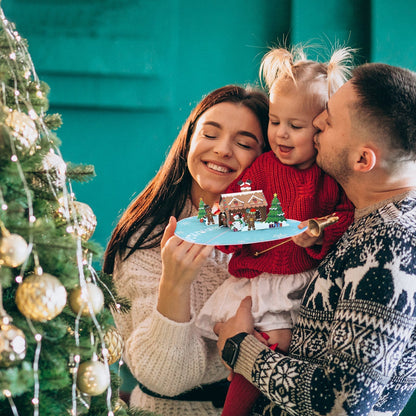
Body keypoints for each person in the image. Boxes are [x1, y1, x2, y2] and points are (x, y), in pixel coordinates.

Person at [215, 62, 416, 416]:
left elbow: (339, 404)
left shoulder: (390, 247)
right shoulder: (368, 218)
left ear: (363, 159)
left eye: (329, 120)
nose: (318, 122)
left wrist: (239, 347)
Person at [195, 45, 355, 416]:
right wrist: (229, 221)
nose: (281, 135)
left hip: (300, 284)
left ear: (321, 127)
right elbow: (240, 205)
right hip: (261, 278)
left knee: (273, 347)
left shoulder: (329, 175)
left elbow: (345, 216)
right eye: (275, 122)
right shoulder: (264, 166)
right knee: (246, 345)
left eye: (295, 127)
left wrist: (318, 235)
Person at [102, 85, 270, 416]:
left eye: (244, 143)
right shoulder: (146, 237)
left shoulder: (278, 227)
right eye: (210, 133)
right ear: (189, 139)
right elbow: (165, 379)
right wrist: (175, 284)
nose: (223, 150)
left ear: (265, 158)